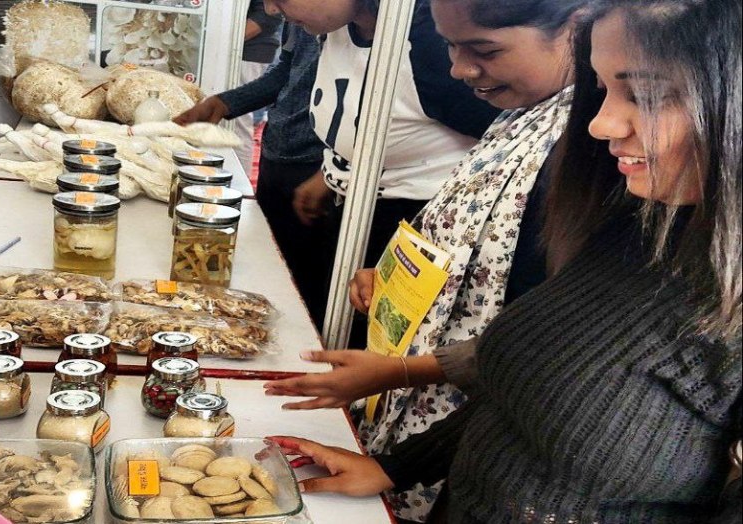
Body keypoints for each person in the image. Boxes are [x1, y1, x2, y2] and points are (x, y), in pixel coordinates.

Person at [268, 0, 743, 522]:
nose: (601, 124)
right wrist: (392, 468)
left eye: (646, 95)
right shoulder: (635, 229)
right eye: (601, 89)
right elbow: (517, 393)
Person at [265, 0, 586, 520]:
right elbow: (463, 228)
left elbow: (537, 335)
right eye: (450, 47)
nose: (458, 69)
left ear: (575, 27)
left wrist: (401, 374)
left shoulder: (583, 148)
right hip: (428, 407)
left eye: (484, 50)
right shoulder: (521, 115)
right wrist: (391, 277)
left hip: (472, 425)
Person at [265, 0, 501, 331]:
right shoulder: (335, 28)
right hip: (352, 211)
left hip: (416, 230)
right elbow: (367, 118)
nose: (271, 10)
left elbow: (499, 139)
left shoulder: (430, 42)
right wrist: (335, 171)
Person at [175, 25, 329, 320]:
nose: (271, 11)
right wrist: (225, 102)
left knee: (306, 293)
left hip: (319, 174)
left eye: (282, 3)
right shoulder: (303, 22)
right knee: (269, 270)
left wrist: (333, 171)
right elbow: (286, 70)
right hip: (278, 154)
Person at [233, 0, 284, 175]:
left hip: (247, 51)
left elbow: (268, 15)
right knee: (239, 122)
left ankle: (239, 182)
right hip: (245, 49)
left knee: (239, 123)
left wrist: (226, 40)